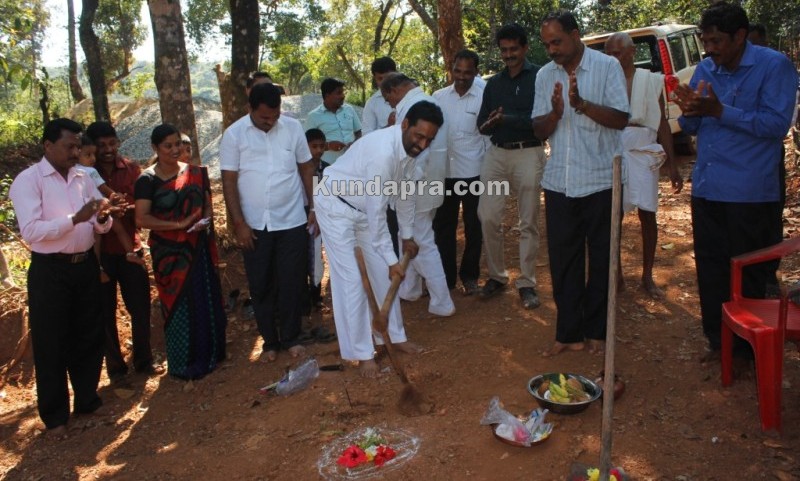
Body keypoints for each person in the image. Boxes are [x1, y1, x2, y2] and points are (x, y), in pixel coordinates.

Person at [672, 2, 798, 363]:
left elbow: (776, 125)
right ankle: (718, 342)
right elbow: (694, 126)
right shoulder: (706, 69)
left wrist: (719, 110)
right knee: (711, 270)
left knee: (750, 275)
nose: (709, 49)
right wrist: (690, 109)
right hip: (709, 188)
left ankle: (751, 350)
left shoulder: (773, 67)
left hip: (750, 194)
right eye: (705, 41)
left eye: (716, 41)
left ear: (740, 36)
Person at [314, 101, 443, 378]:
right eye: (419, 136)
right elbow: (378, 214)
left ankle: (395, 337)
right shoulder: (382, 154)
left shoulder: (412, 153)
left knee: (384, 279)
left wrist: (407, 236)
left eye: (429, 139)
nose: (422, 144)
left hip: (364, 210)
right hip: (335, 205)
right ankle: (362, 354)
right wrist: (391, 259)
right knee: (351, 280)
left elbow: (406, 195)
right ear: (404, 124)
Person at [9, 118, 116, 434]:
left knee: (88, 333)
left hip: (84, 265)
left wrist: (103, 217)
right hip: (50, 271)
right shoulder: (29, 181)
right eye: (69, 146)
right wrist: (76, 218)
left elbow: (97, 224)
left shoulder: (83, 177)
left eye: (77, 146)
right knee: (51, 341)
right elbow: (31, 232)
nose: (75, 152)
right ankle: (55, 416)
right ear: (48, 146)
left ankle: (87, 399)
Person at [532, 10, 629, 357]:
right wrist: (557, 114)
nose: (552, 50)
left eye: (557, 41)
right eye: (547, 45)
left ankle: (598, 331)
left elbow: (620, 119)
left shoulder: (606, 67)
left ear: (575, 34)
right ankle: (569, 333)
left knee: (602, 259)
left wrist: (582, 105)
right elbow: (538, 129)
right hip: (559, 182)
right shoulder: (545, 75)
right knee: (563, 261)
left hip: (602, 180)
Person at [220, 83, 317, 362]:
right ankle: (270, 342)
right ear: (250, 109)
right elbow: (229, 180)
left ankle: (290, 337)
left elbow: (306, 167)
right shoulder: (234, 134)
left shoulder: (292, 127)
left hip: (292, 219)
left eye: (275, 116)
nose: (271, 122)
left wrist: (314, 206)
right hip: (253, 224)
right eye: (264, 117)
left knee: (291, 281)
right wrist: (239, 223)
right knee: (261, 283)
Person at [134, 124, 227, 379]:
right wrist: (177, 226)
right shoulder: (147, 179)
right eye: (168, 146)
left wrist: (204, 221)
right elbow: (141, 218)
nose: (175, 150)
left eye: (178, 144)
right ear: (155, 148)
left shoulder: (196, 172)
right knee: (178, 303)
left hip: (198, 246)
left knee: (204, 297)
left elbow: (206, 203)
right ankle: (184, 362)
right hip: (170, 253)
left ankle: (212, 352)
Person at [604, 32, 683, 298]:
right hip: (615, 150)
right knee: (613, 215)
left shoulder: (649, 81)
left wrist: (672, 164)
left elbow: (661, 122)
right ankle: (617, 276)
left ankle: (647, 276)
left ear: (631, 52)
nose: (612, 58)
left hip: (644, 149)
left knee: (647, 213)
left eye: (617, 53)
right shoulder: (604, 82)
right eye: (609, 53)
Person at [476, 23, 547, 310]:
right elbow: (480, 124)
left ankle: (527, 282)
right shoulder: (493, 83)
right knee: (487, 216)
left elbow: (541, 119)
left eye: (513, 49)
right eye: (504, 50)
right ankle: (497, 275)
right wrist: (490, 123)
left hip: (528, 153)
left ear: (525, 48)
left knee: (528, 221)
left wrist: (509, 120)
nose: (508, 55)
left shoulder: (540, 77)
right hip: (496, 155)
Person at [86, 121, 158, 382]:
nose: (107, 149)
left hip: (130, 247)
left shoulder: (131, 169)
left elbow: (142, 207)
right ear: (92, 146)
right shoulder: (82, 173)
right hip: (99, 253)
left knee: (140, 307)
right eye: (101, 145)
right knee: (105, 313)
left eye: (111, 143)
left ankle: (144, 361)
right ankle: (116, 368)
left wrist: (125, 209)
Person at [380, 73, 455, 317]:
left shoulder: (411, 111)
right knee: (408, 235)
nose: (389, 104)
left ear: (393, 90)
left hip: (415, 186)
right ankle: (410, 288)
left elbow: (411, 155)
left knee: (421, 242)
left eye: (387, 99)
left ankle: (442, 301)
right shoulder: (428, 102)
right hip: (430, 185)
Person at [432, 49, 487, 296]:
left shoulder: (486, 94)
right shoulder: (438, 98)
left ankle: (470, 276)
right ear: (451, 69)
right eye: (458, 71)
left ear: (476, 71)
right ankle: (446, 278)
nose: (462, 77)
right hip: (445, 173)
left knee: (474, 226)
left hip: (474, 172)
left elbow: (488, 137)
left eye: (468, 72)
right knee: (444, 227)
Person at [77, 135, 146, 272]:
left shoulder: (76, 171)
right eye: (88, 155)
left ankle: (99, 267)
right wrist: (115, 197)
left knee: (98, 237)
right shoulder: (89, 171)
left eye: (92, 154)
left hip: (93, 209)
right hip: (100, 208)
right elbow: (104, 189)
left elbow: (103, 188)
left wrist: (115, 199)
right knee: (117, 230)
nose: (92, 159)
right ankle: (130, 253)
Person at [304, 78, 362, 169]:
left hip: (353, 163)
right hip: (329, 167)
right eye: (339, 93)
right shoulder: (313, 116)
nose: (343, 96)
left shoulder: (349, 109)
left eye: (343, 92)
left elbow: (358, 132)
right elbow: (306, 144)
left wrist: (355, 143)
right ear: (327, 95)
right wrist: (328, 146)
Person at [362, 56, 397, 134]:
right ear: (375, 79)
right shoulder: (372, 103)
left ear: (396, 75)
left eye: (388, 77)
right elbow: (366, 136)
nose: (385, 82)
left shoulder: (409, 96)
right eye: (380, 79)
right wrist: (388, 126)